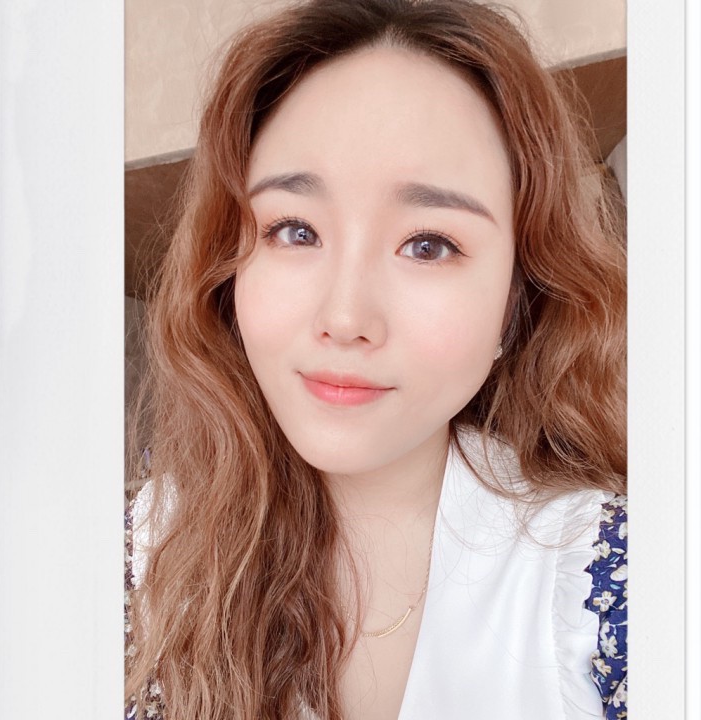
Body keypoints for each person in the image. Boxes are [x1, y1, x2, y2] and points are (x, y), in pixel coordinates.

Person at [125, 1, 627, 718]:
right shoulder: (134, 562)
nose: (345, 318)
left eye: (428, 244)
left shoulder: (609, 580)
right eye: (295, 231)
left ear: (518, 299)